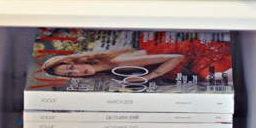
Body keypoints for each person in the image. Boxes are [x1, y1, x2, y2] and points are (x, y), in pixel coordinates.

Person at [42, 38, 232, 85]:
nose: (76, 72)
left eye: (71, 67)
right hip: (187, 66)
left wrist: (148, 77)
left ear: (76, 60)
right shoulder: (108, 71)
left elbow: (178, 57)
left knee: (215, 79)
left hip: (197, 56)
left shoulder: (118, 60)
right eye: (69, 74)